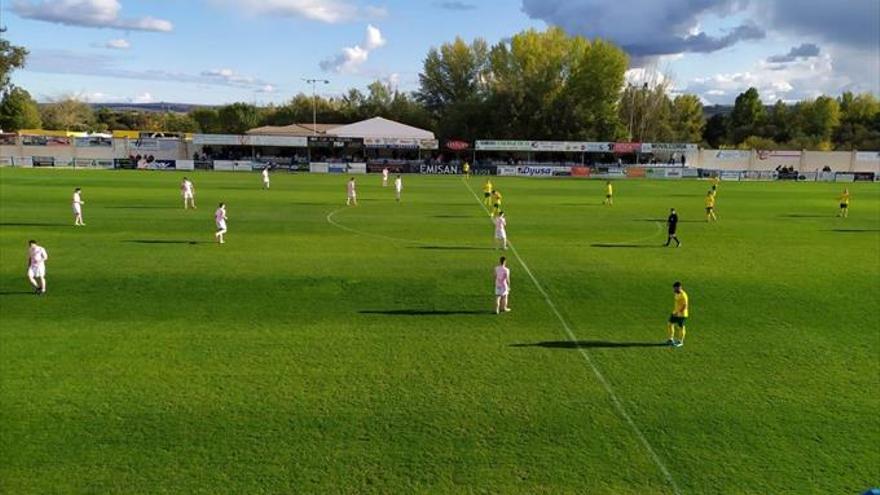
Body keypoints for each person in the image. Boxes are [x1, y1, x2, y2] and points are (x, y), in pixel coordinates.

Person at [666, 281, 689, 347]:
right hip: (675, 312)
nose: (674, 289)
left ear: (680, 287)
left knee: (681, 327)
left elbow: (685, 306)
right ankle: (671, 339)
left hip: (682, 314)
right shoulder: (676, 293)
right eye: (674, 288)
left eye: (676, 288)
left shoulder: (683, 295)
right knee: (670, 324)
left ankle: (680, 341)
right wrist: (675, 312)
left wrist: (678, 313)